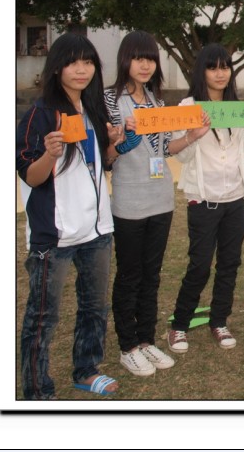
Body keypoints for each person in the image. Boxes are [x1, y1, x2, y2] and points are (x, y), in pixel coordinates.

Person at [16, 33, 123, 398]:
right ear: (57, 67)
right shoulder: (40, 114)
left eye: (88, 62)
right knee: (42, 317)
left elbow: (102, 164)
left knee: (95, 307)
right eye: (73, 62)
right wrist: (49, 154)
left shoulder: (93, 109)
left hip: (97, 229)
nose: (82, 69)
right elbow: (31, 176)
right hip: (55, 234)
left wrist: (113, 143)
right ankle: (37, 391)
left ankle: (87, 370)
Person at [168, 45, 244, 353]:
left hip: (234, 198)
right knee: (199, 265)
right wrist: (193, 134)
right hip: (203, 199)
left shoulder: (237, 107)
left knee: (229, 263)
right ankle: (179, 325)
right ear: (202, 71)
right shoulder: (188, 107)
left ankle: (219, 320)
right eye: (213, 67)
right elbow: (179, 154)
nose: (220, 73)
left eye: (225, 67)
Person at [104, 31, 178, 377]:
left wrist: (192, 136)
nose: (145, 65)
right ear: (125, 60)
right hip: (130, 201)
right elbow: (107, 156)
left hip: (161, 198)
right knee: (129, 275)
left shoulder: (157, 101)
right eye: (138, 58)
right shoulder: (108, 100)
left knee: (152, 274)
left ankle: (147, 339)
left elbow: (164, 150)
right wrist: (121, 140)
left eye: (150, 58)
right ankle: (128, 346)